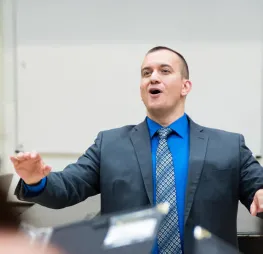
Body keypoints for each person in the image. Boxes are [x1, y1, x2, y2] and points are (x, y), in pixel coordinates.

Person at [10, 46, 263, 254]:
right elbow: (67, 188)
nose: (153, 77)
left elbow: (258, 189)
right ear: (142, 90)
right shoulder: (109, 144)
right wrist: (36, 181)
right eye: (146, 73)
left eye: (164, 71)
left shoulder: (229, 146)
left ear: (185, 86)